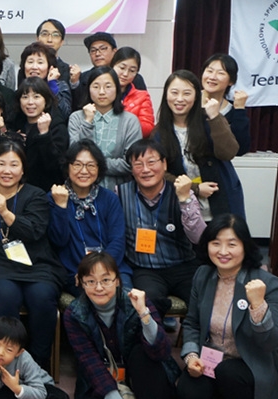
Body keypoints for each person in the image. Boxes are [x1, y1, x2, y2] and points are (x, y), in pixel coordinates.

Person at [64, 252, 182, 399]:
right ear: (80, 283)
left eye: (106, 280)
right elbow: (90, 364)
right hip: (104, 383)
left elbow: (162, 352)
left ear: (117, 280)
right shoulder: (74, 314)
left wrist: (144, 314)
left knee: (140, 353)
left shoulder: (137, 302)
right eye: (90, 281)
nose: (99, 287)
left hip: (148, 384)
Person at [177, 214, 278, 399]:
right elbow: (191, 323)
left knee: (229, 373)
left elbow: (270, 342)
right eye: (216, 243)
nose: (223, 251)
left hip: (250, 363)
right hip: (212, 361)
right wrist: (191, 356)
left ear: (245, 246)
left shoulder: (267, 283)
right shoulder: (203, 275)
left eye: (232, 244)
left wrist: (258, 306)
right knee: (188, 394)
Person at [0, 141, 65, 370]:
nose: (7, 170)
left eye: (14, 165)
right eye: (1, 163)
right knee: (5, 296)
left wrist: (5, 212)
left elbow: (34, 231)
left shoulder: (35, 195)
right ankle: (3, 365)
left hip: (37, 265)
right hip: (0, 265)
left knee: (42, 297)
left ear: (23, 169)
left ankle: (37, 366)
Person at [118, 139, 205, 316]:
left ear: (164, 164)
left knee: (203, 301)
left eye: (151, 162)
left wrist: (185, 200)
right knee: (148, 301)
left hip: (183, 265)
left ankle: (192, 335)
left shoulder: (182, 192)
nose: (146, 169)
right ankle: (157, 334)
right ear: (131, 169)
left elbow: (198, 237)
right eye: (138, 164)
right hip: (144, 268)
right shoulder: (120, 193)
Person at [152, 70, 244, 220]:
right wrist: (194, 188)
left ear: (196, 96)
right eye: (174, 93)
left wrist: (215, 117)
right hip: (183, 207)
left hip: (220, 202)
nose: (180, 99)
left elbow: (228, 153)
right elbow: (159, 173)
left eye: (187, 93)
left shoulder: (210, 120)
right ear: (166, 95)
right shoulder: (159, 132)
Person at [48, 140, 132, 296]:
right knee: (95, 300)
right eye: (77, 165)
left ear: (99, 169)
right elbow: (58, 241)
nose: (84, 171)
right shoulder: (55, 197)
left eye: (91, 165)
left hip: (112, 269)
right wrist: (60, 207)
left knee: (125, 299)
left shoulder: (109, 198)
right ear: (67, 166)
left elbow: (117, 241)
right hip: (75, 271)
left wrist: (99, 270)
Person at [68, 66, 141, 190]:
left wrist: (94, 164)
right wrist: (87, 122)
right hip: (83, 189)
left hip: (119, 190)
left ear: (117, 89)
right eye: (96, 87)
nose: (102, 92)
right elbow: (75, 158)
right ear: (88, 89)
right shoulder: (76, 118)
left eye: (108, 86)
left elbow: (131, 163)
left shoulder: (130, 121)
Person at [8, 77, 68, 192]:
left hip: (45, 191)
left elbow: (55, 166)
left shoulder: (57, 125)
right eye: (25, 97)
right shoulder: (15, 122)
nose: (30, 102)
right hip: (17, 189)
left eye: (36, 97)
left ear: (46, 100)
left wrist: (44, 134)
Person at [72, 32, 147, 111]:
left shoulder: (132, 78)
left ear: (114, 51)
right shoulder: (83, 78)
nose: (97, 54)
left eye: (103, 48)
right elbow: (76, 107)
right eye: (93, 50)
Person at [201, 53, 250, 155]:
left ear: (231, 81)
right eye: (209, 71)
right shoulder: (188, 101)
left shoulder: (231, 112)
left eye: (220, 73)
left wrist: (240, 109)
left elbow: (240, 149)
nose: (212, 77)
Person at [17, 42, 72, 120]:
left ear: (50, 67)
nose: (34, 67)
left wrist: (52, 85)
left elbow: (65, 115)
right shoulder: (21, 88)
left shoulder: (60, 86)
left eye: (40, 62)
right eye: (30, 62)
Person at [111, 47, 154, 137]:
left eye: (132, 71)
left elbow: (148, 128)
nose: (125, 74)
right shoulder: (101, 92)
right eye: (122, 68)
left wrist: (124, 125)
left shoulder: (142, 96)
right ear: (113, 65)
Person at [35, 18, 74, 95]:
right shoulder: (28, 69)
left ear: (62, 42)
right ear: (37, 39)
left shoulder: (68, 71)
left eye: (55, 35)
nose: (49, 40)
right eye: (45, 34)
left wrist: (75, 83)